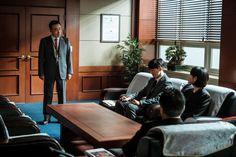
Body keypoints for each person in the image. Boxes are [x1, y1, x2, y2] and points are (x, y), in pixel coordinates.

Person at [110, 87, 185, 157]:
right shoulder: (191, 129)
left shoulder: (150, 128)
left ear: (161, 108)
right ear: (183, 107)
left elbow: (128, 150)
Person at [38, 20, 73, 125]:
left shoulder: (66, 41)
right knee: (48, 95)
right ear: (50, 30)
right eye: (55, 29)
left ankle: (62, 117)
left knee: (62, 95)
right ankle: (46, 117)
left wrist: (70, 72)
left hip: (62, 71)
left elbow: (69, 58)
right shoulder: (44, 41)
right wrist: (41, 73)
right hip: (49, 72)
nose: (58, 31)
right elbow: (41, 59)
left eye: (59, 29)